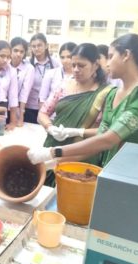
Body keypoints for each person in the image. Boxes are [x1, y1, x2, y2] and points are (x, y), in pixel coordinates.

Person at [28, 33, 138, 169]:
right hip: (112, 169)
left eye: (110, 56)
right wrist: (53, 163)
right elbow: (98, 141)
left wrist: (53, 152)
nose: (107, 64)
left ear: (126, 55)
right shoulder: (113, 94)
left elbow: (109, 139)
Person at [37, 43, 113, 186]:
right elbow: (43, 113)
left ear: (95, 65)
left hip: (83, 155)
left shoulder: (106, 93)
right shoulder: (64, 85)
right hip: (52, 149)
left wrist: (77, 132)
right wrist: (50, 128)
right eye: (73, 65)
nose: (76, 70)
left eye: (81, 65)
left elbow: (108, 133)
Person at [25, 33, 60, 123]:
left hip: (48, 109)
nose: (36, 48)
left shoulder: (55, 64)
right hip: (29, 107)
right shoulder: (27, 63)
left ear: (46, 46)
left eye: (39, 45)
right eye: (33, 46)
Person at [39, 42, 77, 108]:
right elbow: (42, 98)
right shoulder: (51, 73)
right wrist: (41, 116)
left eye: (69, 57)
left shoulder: (80, 76)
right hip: (50, 116)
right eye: (62, 57)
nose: (65, 60)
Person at [0, 40, 19, 130]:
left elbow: (13, 97)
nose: (5, 60)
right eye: (2, 56)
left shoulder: (11, 71)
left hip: (1, 111)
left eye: (8, 57)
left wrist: (13, 122)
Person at [10, 37, 35, 127]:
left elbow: (24, 94)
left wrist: (21, 116)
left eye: (21, 51)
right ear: (10, 50)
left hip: (16, 110)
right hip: (1, 109)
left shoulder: (29, 68)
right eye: (15, 50)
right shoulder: (5, 67)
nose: (18, 54)